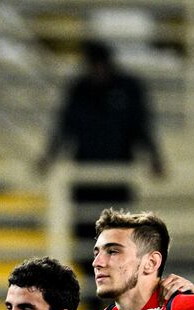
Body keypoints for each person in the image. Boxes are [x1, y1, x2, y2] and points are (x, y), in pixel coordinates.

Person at [42, 41, 164, 246]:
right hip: (85, 177)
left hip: (118, 175)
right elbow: (64, 128)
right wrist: (49, 156)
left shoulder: (128, 88)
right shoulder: (78, 89)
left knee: (119, 233)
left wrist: (154, 157)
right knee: (85, 233)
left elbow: (142, 126)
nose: (97, 71)